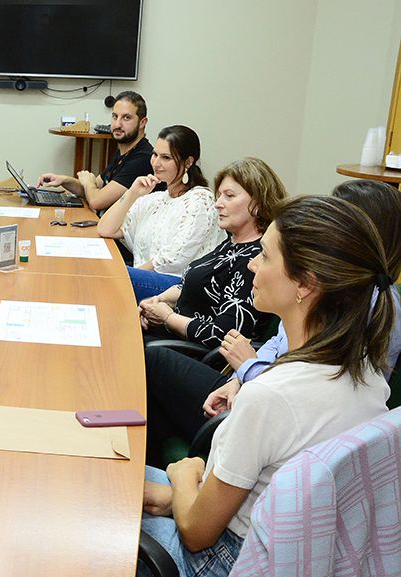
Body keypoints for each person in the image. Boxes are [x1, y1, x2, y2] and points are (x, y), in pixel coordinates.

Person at [139, 195, 394, 577]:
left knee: (95, 495)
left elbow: (195, 534)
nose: (253, 264)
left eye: (266, 256)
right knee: (136, 486)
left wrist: (182, 473)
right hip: (291, 545)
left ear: (305, 285)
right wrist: (181, 495)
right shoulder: (368, 373)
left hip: (222, 560)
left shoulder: (269, 395)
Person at [142, 178, 401, 467]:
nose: (255, 264)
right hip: (257, 387)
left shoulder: (359, 303)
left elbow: (309, 400)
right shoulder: (326, 294)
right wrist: (238, 379)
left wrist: (249, 371)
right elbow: (278, 344)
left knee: (151, 359)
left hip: (272, 406)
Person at [137, 158, 286, 347]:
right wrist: (157, 300)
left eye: (229, 196)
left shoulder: (255, 260)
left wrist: (167, 317)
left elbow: (223, 336)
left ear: (257, 203)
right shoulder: (231, 242)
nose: (218, 204)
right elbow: (192, 286)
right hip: (173, 334)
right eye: (220, 195)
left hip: (193, 352)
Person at [97, 125, 225, 302]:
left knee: (106, 276)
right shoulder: (154, 199)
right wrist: (132, 192)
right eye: (155, 154)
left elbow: (173, 260)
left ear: (188, 162)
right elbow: (105, 229)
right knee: (99, 270)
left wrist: (126, 275)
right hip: (143, 278)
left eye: (166, 158)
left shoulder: (200, 200)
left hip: (180, 288)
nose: (156, 163)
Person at [37, 90, 153, 212]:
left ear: (142, 123)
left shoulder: (143, 158)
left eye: (126, 118)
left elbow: (96, 201)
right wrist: (64, 180)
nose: (117, 124)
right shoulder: (124, 151)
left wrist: (88, 183)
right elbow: (93, 189)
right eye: (115, 116)